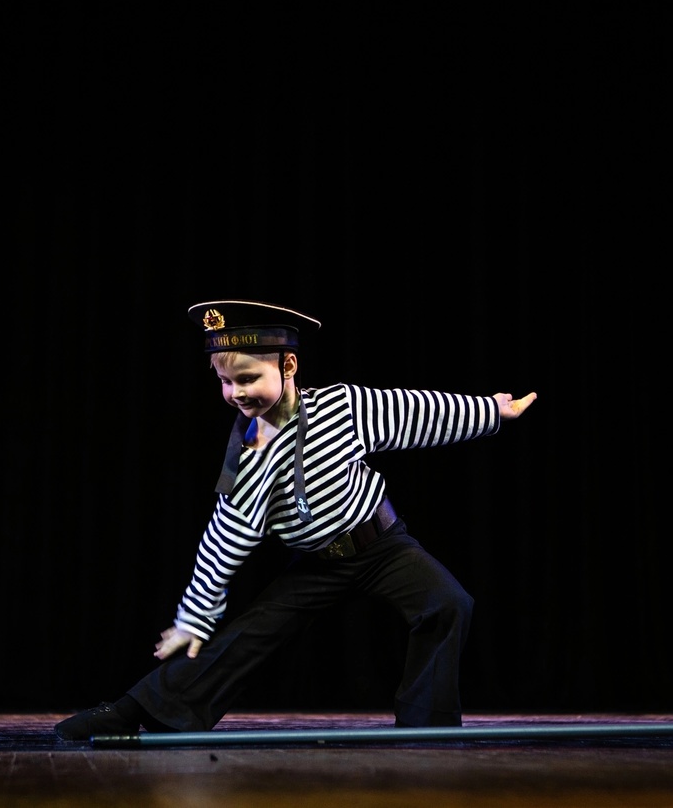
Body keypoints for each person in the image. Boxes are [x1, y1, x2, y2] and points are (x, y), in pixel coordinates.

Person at [56, 299, 538, 739]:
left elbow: (417, 411)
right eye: (225, 382)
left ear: (288, 365)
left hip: (381, 544)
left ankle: (426, 728)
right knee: (247, 635)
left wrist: (491, 411)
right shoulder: (247, 453)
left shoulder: (343, 406)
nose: (235, 393)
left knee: (448, 603)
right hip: (317, 563)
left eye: (247, 379)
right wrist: (194, 619)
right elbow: (225, 540)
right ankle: (132, 710)